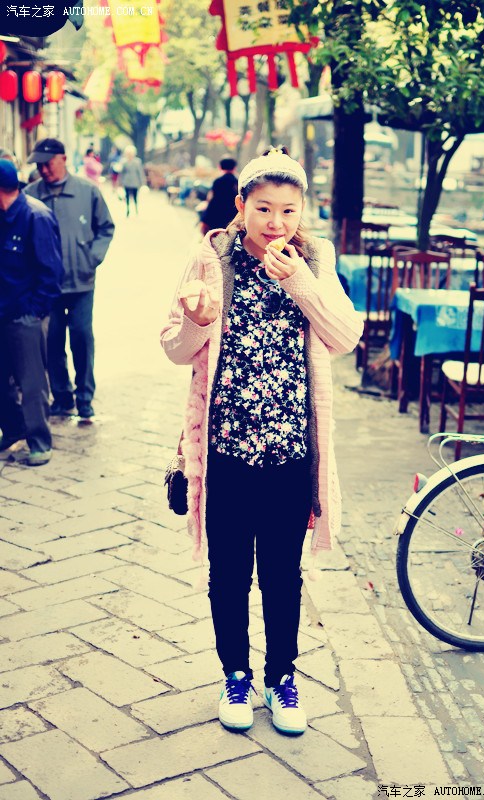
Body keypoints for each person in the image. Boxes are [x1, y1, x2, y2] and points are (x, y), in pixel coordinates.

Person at [160, 147, 364, 735]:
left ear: (302, 212)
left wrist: (299, 282)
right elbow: (174, 348)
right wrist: (198, 320)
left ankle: (281, 678)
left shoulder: (314, 261)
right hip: (225, 452)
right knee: (227, 574)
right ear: (241, 205)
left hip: (290, 453)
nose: (276, 222)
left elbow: (346, 336)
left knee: (281, 573)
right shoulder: (211, 259)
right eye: (264, 208)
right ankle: (235, 675)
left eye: (288, 210)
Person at [24, 138, 115, 420]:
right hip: (45, 287)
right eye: (39, 165)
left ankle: (84, 398)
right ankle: (62, 397)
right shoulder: (30, 195)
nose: (43, 169)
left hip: (81, 282)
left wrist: (91, 258)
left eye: (47, 163)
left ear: (63, 159)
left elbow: (106, 227)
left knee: (81, 338)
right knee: (51, 342)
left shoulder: (87, 191)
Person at [0, 158, 64, 466]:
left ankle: (39, 441)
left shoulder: (36, 216)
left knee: (32, 383)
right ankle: (13, 428)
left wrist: (35, 312)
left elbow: (51, 273)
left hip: (25, 316)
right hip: (3, 312)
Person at [200, 156, 238, 235]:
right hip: (232, 217)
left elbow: (211, 199)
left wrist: (205, 219)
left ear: (219, 167)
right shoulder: (237, 182)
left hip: (216, 214)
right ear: (234, 168)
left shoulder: (218, 181)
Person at [119, 145, 146, 216]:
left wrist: (143, 182)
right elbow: (122, 173)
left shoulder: (137, 161)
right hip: (127, 181)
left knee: (135, 196)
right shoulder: (124, 162)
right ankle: (128, 209)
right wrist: (120, 182)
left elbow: (140, 172)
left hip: (135, 182)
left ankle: (136, 208)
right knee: (127, 196)